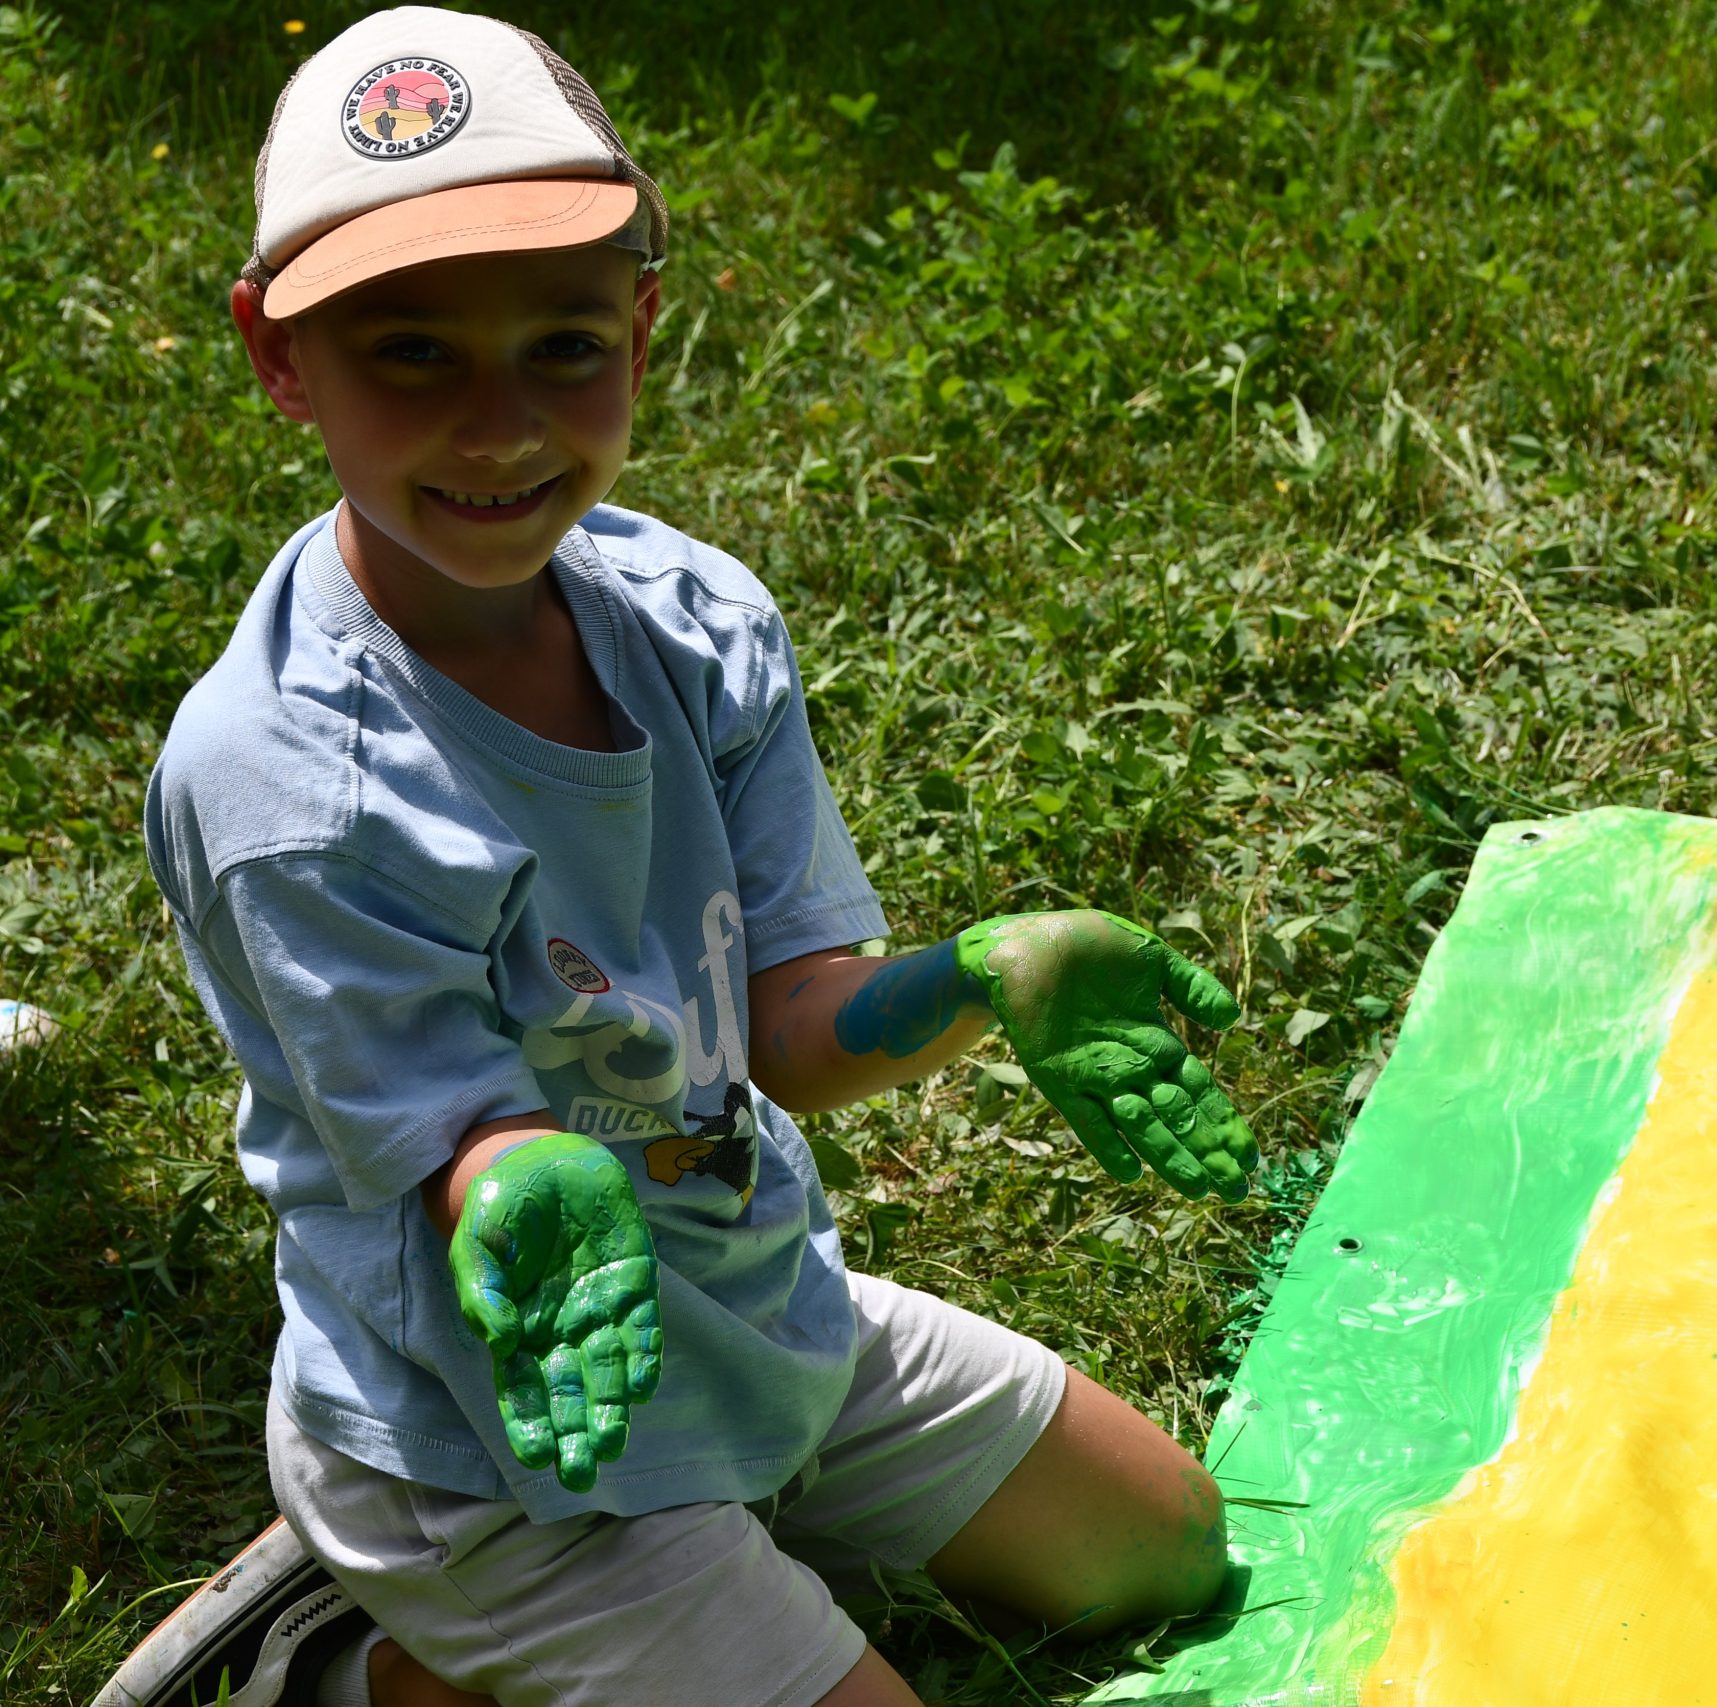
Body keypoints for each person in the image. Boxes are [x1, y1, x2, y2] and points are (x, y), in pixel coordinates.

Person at [142, 9, 1255, 1705]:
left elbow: (791, 1026)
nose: (501, 425)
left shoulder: (694, 619)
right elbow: (457, 1151)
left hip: (744, 1307)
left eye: (564, 345)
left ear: (644, 330)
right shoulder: (290, 780)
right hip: (512, 1426)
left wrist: (975, 976)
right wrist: (517, 1176)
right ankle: (366, 1673)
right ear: (278, 354)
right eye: (413, 353)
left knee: (1164, 1547)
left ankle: (723, 1551)